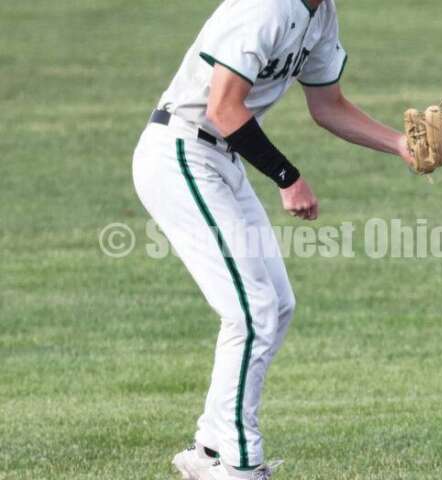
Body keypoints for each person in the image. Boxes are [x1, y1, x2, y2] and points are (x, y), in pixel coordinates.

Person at [132, 0, 413, 478]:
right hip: (180, 151)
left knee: (276, 305)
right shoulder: (265, 8)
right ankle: (242, 465)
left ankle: (210, 449)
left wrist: (400, 144)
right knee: (252, 310)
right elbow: (222, 106)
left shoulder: (320, 14)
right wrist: (287, 177)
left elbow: (329, 107)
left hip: (221, 157)